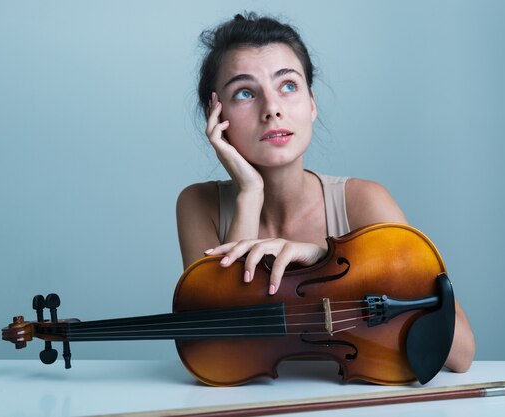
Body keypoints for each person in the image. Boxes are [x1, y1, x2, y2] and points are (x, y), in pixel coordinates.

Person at [176, 13, 475, 373]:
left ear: (312, 103)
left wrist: (324, 257)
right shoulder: (198, 204)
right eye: (245, 92)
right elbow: (220, 353)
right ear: (216, 116)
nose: (272, 108)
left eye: (288, 85)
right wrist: (249, 193)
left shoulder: (364, 201)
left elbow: (460, 350)